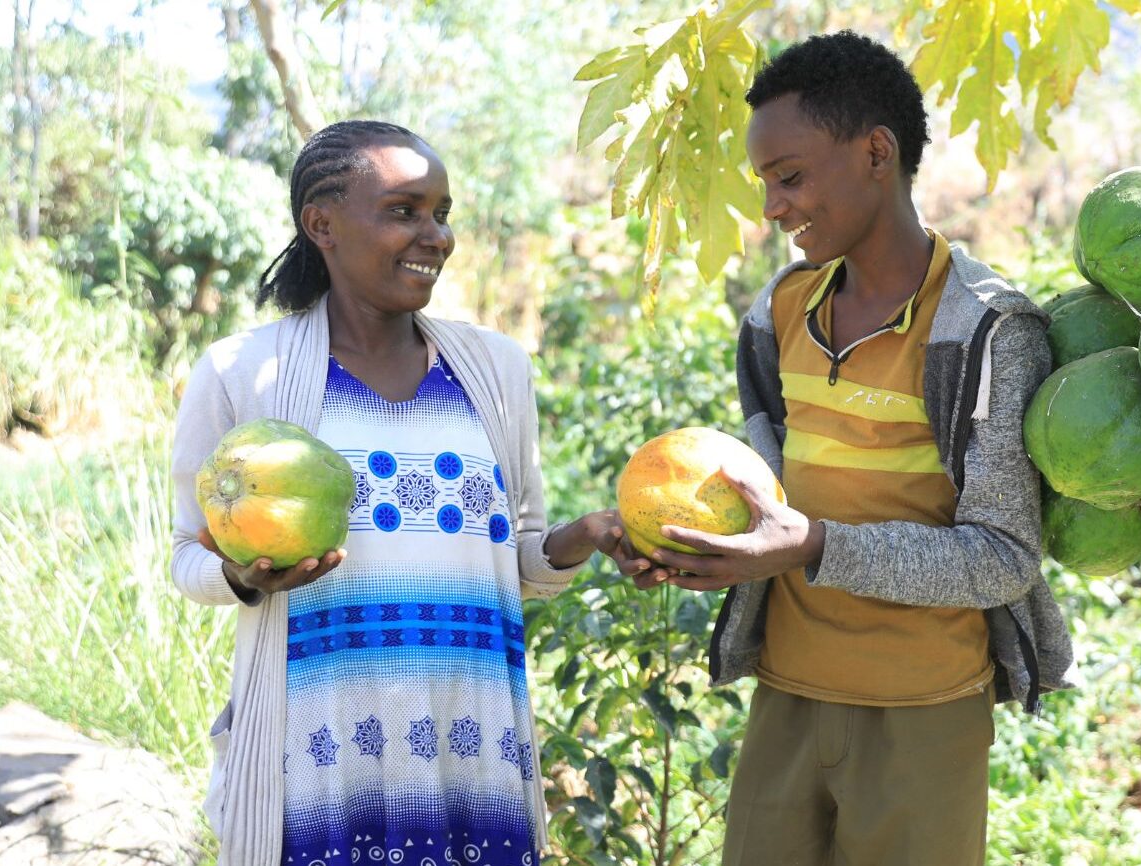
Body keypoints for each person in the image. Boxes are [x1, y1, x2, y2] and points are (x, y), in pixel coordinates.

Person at [629, 32, 1079, 865]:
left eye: (790, 177)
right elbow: (766, 487)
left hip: (925, 716)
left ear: (877, 152)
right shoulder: (779, 313)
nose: (773, 208)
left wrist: (815, 546)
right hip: (787, 699)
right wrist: (697, 541)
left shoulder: (985, 332)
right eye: (767, 183)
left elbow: (1002, 557)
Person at [169, 119, 644, 866]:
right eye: (403, 210)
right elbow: (186, 557)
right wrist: (239, 575)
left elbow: (516, 561)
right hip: (321, 772)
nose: (436, 236)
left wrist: (580, 538)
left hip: (473, 759)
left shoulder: (496, 371)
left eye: (442, 213)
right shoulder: (244, 374)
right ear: (320, 224)